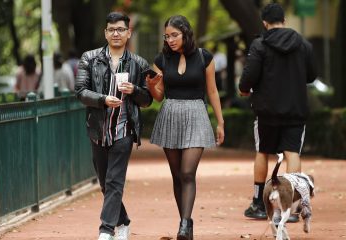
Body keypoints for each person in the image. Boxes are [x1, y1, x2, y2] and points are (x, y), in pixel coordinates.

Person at [75, 12, 153, 240]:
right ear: (105, 33)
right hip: (98, 129)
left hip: (124, 129)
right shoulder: (89, 58)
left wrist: (135, 91)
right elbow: (80, 92)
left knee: (114, 180)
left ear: (129, 33)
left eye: (120, 29)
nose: (116, 33)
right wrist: (102, 99)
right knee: (104, 182)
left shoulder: (139, 63)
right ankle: (123, 221)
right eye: (111, 29)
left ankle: (106, 230)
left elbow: (148, 100)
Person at [146, 15, 225, 240]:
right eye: (167, 36)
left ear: (185, 34)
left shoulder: (204, 57)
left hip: (196, 114)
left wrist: (220, 122)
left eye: (175, 35)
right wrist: (152, 87)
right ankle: (186, 227)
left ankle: (184, 223)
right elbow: (159, 96)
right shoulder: (161, 60)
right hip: (170, 115)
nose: (170, 40)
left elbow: (212, 91)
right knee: (176, 175)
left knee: (187, 172)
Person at [238, 3, 316, 222]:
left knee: (263, 151)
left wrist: (244, 89)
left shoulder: (260, 44)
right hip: (295, 109)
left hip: (266, 110)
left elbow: (249, 76)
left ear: (265, 23)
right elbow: (311, 75)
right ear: (284, 20)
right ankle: (291, 206)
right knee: (292, 152)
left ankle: (258, 205)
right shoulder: (303, 44)